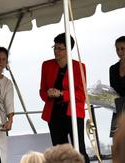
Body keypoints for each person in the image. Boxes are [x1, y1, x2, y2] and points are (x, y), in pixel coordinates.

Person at [39, 33, 89, 163]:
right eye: (55, 47)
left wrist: (61, 94)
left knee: (79, 150)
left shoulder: (79, 66)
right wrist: (48, 93)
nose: (56, 51)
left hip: (73, 113)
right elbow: (42, 92)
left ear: (68, 50)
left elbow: (81, 95)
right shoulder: (46, 65)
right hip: (54, 114)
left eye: (60, 48)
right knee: (59, 154)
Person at [109, 36, 125, 137]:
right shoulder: (113, 68)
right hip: (119, 108)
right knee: (118, 144)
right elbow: (113, 90)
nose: (119, 52)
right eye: (117, 49)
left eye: (123, 48)